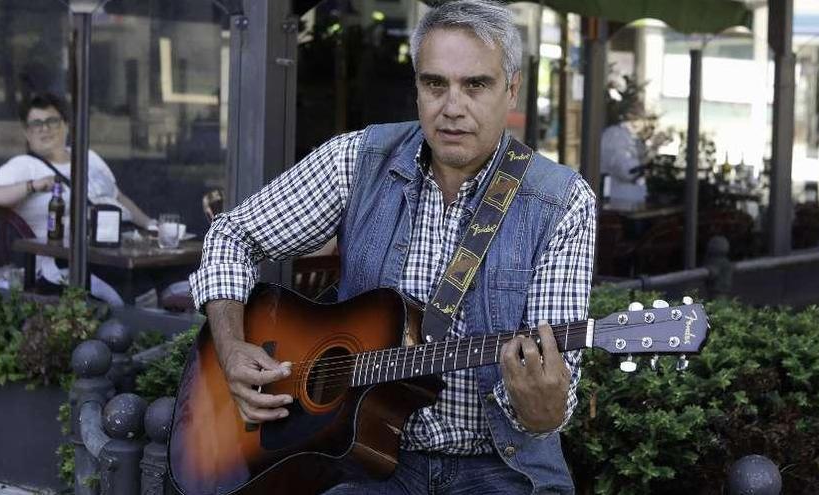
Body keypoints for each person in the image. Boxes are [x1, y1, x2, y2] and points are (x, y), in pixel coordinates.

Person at [189, 1, 596, 493]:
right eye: (434, 84)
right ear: (417, 88)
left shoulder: (561, 202)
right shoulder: (356, 160)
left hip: (498, 466)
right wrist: (231, 348)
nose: (452, 107)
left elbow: (546, 407)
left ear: (511, 89)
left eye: (476, 85)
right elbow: (232, 235)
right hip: (359, 455)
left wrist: (542, 406)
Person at [0, 92, 155, 305]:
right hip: (74, 261)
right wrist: (33, 185)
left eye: (52, 121)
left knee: (174, 280)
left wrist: (152, 225)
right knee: (132, 296)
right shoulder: (24, 165)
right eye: (36, 124)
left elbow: (119, 197)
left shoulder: (88, 156)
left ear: (67, 124)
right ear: (27, 132)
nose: (45, 128)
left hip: (126, 248)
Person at [600, 95, 648, 209]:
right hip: (621, 200)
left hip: (629, 198)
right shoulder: (616, 136)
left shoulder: (628, 135)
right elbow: (627, 172)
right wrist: (649, 158)